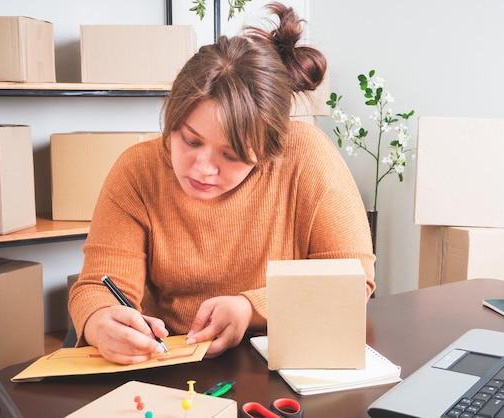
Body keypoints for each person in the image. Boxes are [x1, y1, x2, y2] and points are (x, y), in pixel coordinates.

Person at [68, 2, 375, 365]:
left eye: (231, 156)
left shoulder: (307, 156)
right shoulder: (138, 170)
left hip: (277, 360)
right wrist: (100, 321)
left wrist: (251, 308)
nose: (203, 169)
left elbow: (352, 280)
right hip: (167, 363)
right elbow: (97, 287)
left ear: (268, 151)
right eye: (190, 140)